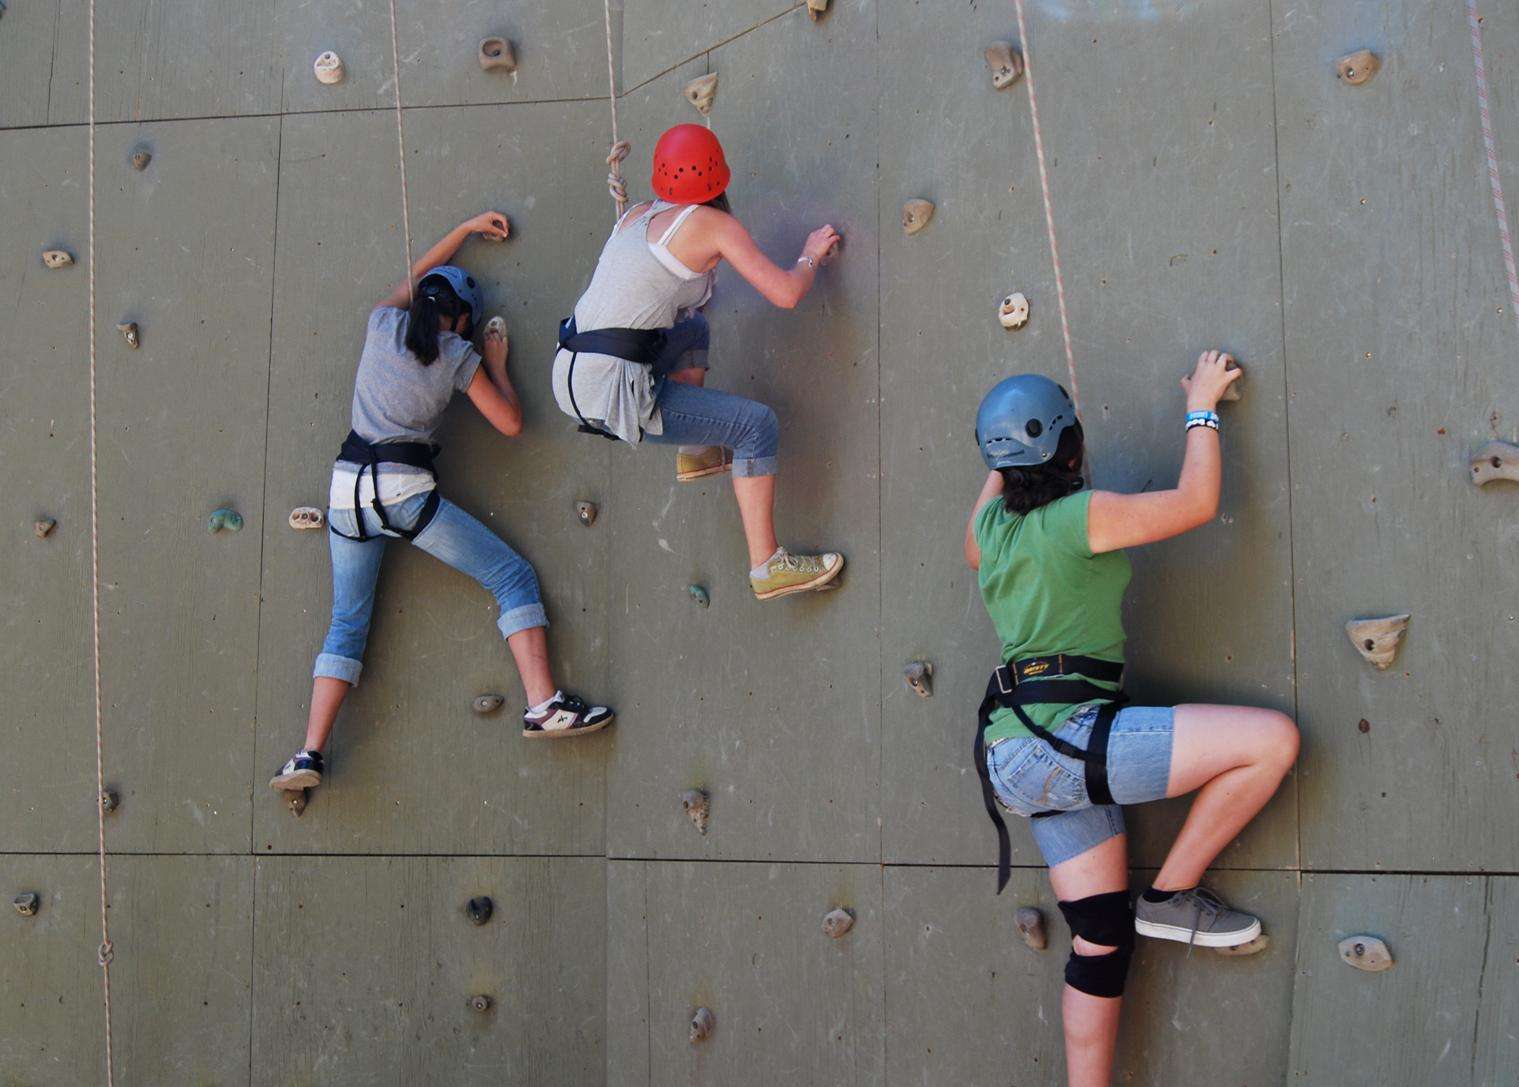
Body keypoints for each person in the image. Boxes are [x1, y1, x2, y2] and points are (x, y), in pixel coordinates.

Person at [963, 353, 1298, 1087]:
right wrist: (1201, 405)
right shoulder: (1079, 518)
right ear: (1072, 447)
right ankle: (1171, 895)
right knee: (1271, 742)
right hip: (1063, 742)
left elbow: (986, 508)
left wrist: (1004, 460)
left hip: (1016, 756)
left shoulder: (987, 530)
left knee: (1099, 937)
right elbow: (1194, 502)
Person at [270, 212, 613, 795]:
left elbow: (416, 273)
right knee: (511, 576)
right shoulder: (457, 354)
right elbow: (509, 423)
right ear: (459, 319)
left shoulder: (381, 325)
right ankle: (543, 705)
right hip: (403, 492)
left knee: (346, 625)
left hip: (346, 492)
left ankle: (308, 753)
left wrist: (464, 228)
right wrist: (497, 365)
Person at [553, 123, 844, 600]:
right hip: (612, 388)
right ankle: (766, 565)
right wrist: (810, 255)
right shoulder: (715, 226)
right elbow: (787, 293)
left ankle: (697, 451)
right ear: (718, 176)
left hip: (571, 370)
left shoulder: (637, 215)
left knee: (693, 331)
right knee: (756, 427)